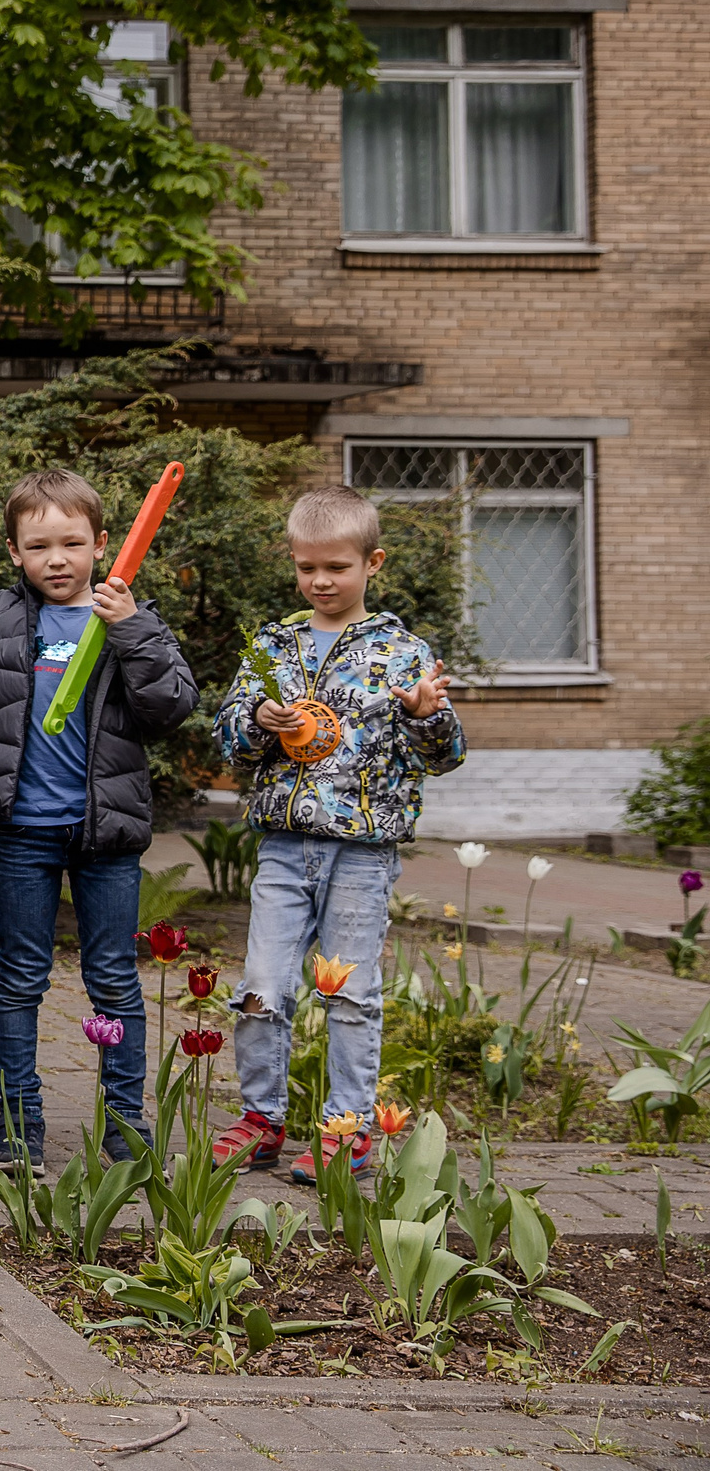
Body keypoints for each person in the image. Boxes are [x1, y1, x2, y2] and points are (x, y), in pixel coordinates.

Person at [0, 463, 199, 1171]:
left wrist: (132, 634)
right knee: (20, 977)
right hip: (24, 832)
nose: (55, 560)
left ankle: (125, 1123)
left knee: (116, 980)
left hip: (107, 837)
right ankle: (19, 1121)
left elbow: (172, 707)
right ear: (13, 553)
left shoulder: (131, 617)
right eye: (37, 546)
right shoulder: (1, 615)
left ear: (102, 543)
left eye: (70, 543)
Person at [211, 484, 464, 1182]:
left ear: (371, 562)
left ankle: (348, 1129)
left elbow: (445, 754)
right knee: (262, 984)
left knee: (349, 991)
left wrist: (424, 716)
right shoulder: (273, 646)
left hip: (361, 852)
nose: (320, 581)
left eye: (337, 567)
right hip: (284, 847)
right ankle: (261, 1117)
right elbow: (228, 738)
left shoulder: (404, 653)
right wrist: (257, 719)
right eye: (306, 567)